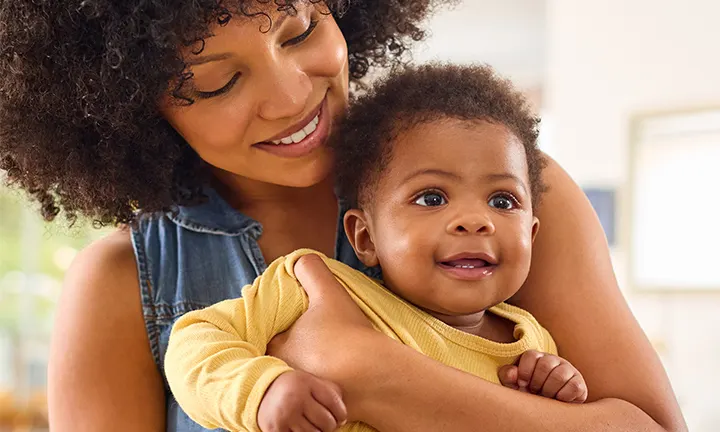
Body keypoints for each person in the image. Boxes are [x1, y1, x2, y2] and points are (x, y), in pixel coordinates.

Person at [0, 1, 686, 431]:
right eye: (218, 80)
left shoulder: (506, 196)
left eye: (299, 31)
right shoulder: (125, 280)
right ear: (132, 110)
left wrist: (371, 372)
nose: (290, 95)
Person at [164, 64, 588, 432]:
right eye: (432, 198)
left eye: (502, 201)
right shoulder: (313, 289)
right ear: (365, 237)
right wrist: (261, 391)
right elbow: (195, 342)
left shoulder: (532, 343)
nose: (476, 220)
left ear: (531, 235)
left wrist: (556, 388)